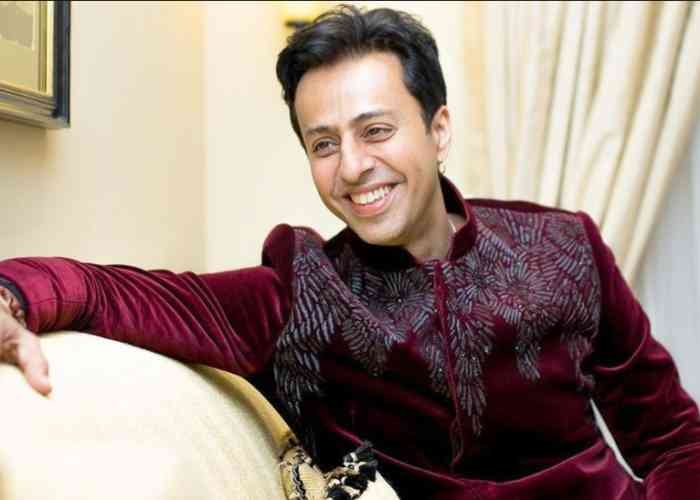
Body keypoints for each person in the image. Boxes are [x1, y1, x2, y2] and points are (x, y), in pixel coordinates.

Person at [1, 5, 699, 499]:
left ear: (438, 129)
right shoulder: (301, 290)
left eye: (376, 130)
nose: (354, 166)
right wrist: (11, 298)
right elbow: (122, 291)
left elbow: (671, 436)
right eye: (324, 143)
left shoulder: (564, 246)